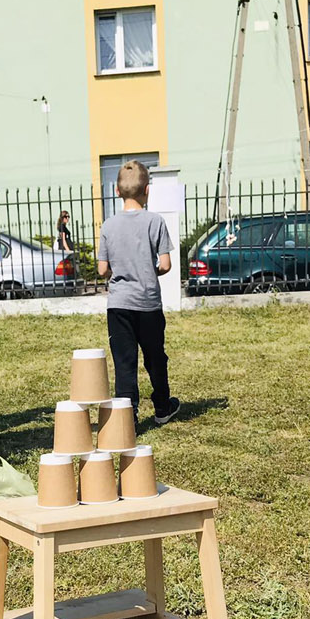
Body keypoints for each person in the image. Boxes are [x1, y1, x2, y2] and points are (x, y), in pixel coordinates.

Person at [97, 160, 181, 425]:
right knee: (155, 357)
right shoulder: (155, 222)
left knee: (124, 361)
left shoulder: (108, 226)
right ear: (147, 190)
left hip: (119, 305)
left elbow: (102, 269)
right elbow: (165, 265)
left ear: (117, 191)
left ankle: (128, 417)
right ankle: (162, 407)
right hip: (148, 304)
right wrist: (148, 271)